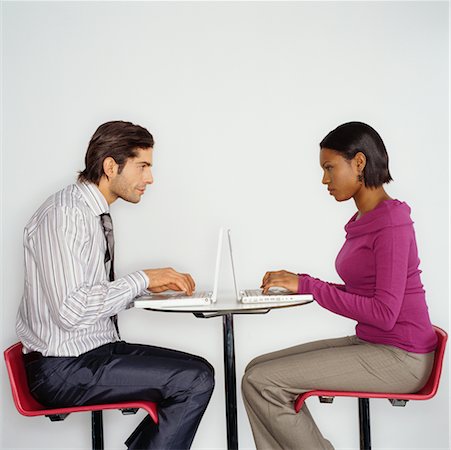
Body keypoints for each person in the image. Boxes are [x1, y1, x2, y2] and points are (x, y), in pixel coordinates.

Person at [16, 121, 215, 450]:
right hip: (61, 367)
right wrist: (142, 278)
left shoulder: (92, 213)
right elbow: (71, 310)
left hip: (91, 352)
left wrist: (146, 291)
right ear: (111, 166)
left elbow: (88, 295)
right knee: (193, 381)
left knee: (199, 369)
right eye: (143, 166)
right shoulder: (65, 214)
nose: (150, 178)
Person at [241, 121, 437, 450]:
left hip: (402, 356)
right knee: (255, 371)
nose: (324, 179)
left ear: (359, 163)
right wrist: (303, 283)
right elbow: (363, 294)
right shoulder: (364, 219)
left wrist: (308, 286)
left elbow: (384, 313)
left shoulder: (391, 222)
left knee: (263, 382)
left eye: (329, 168)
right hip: (375, 343)